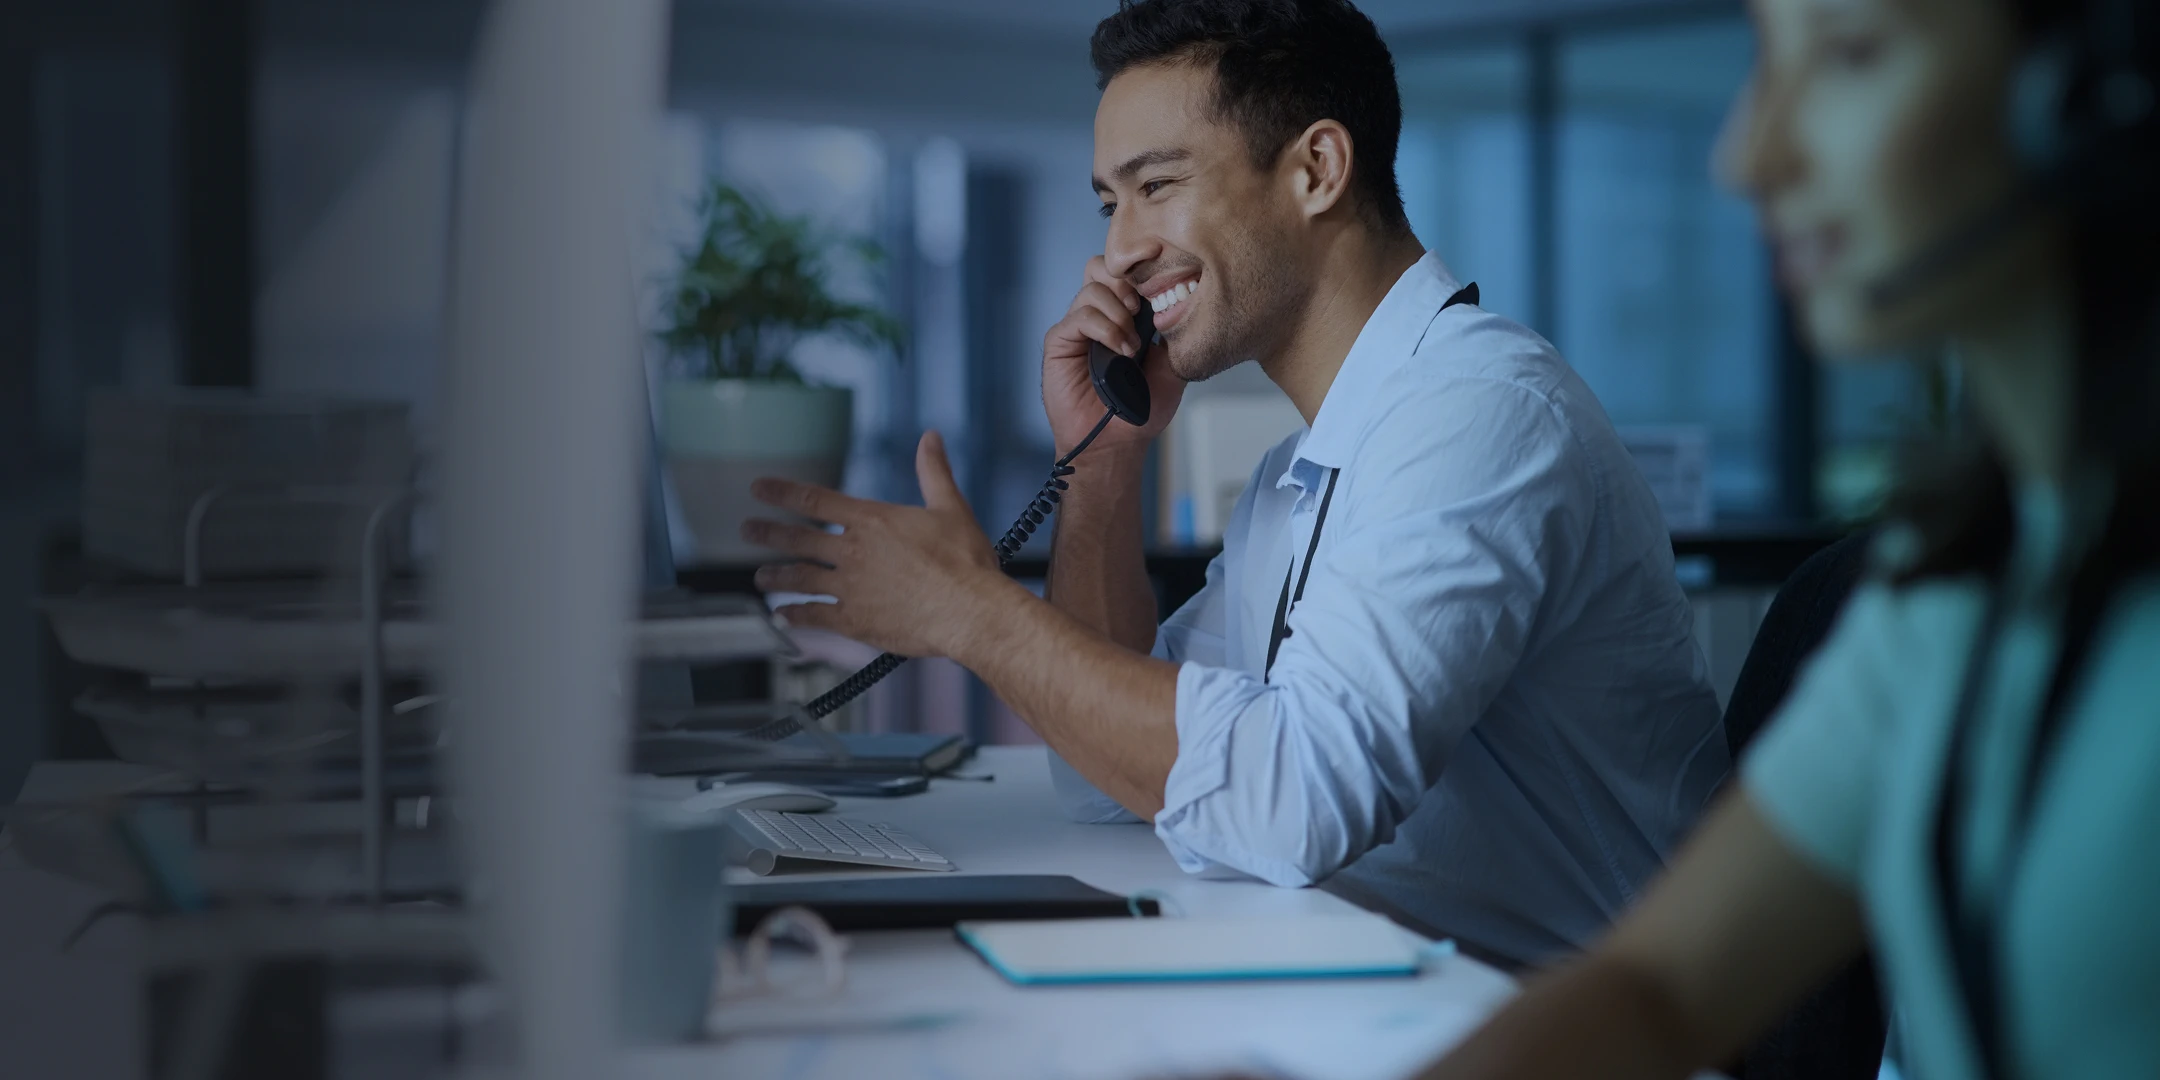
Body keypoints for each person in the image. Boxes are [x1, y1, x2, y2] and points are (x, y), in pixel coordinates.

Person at [742, 0, 1727, 968]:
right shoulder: (1302, 474)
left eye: (1155, 185)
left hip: (1571, 1031)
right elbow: (1110, 779)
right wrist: (1105, 459)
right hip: (1399, 995)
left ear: (1316, 170)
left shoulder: (1480, 417)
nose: (1118, 250)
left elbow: (1296, 800)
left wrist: (976, 616)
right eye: (1107, 203)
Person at [1399, 0, 2160, 1077]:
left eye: (1850, 55)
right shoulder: (1954, 584)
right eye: (1768, 57)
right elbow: (1659, 987)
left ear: (2100, 99)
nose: (1747, 156)